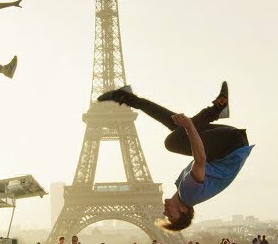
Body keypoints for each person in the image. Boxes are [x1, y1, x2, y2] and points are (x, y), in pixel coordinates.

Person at [98, 83, 249, 231]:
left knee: (176, 126)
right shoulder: (189, 193)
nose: (165, 213)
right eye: (171, 217)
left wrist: (187, 127)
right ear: (183, 210)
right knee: (172, 142)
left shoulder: (183, 190)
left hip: (229, 143)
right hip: (230, 144)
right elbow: (200, 159)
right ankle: (217, 109)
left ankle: (128, 98)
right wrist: (189, 126)